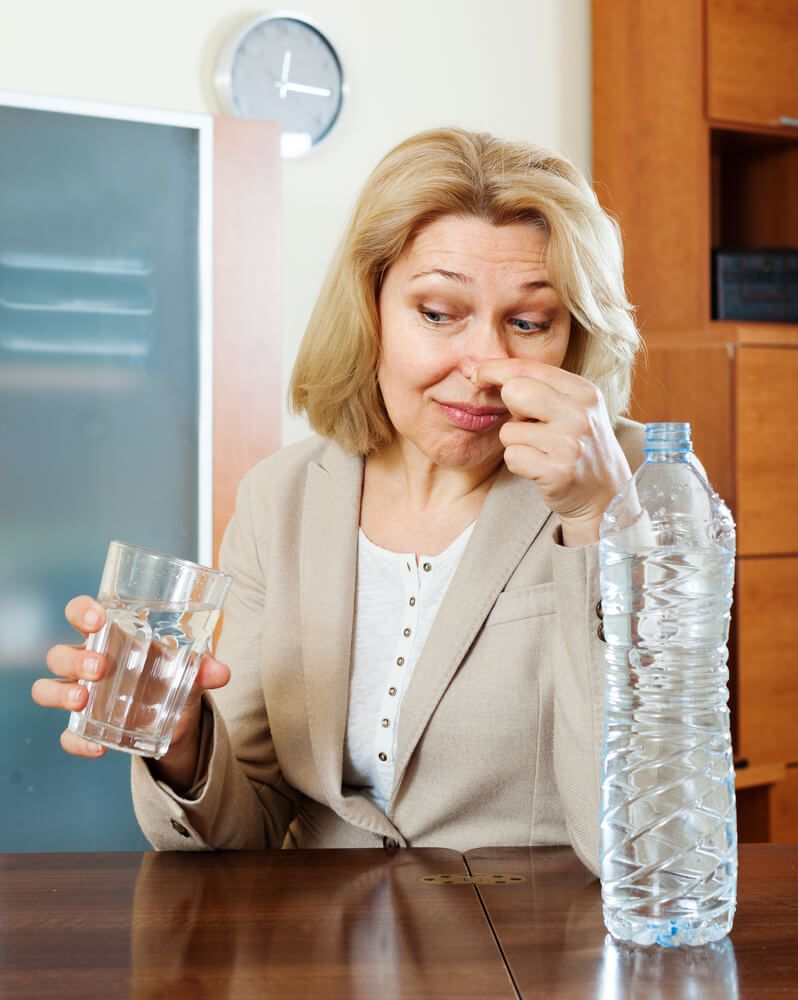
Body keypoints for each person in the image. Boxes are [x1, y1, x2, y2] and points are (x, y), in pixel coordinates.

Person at [35, 127, 643, 874]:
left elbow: (642, 843)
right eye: (437, 313)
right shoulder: (282, 498)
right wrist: (184, 740)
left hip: (538, 936)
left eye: (528, 323)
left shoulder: (640, 488)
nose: (486, 366)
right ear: (370, 308)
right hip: (321, 937)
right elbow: (249, 828)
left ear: (572, 334)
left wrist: (595, 522)